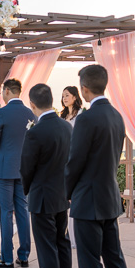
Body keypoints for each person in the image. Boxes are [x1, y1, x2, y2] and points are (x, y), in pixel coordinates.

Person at [59, 64, 128, 268]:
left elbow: (75, 163)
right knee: (115, 263)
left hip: (88, 201)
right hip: (110, 198)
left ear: (84, 90)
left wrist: (66, 193)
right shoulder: (116, 115)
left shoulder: (87, 119)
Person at [19, 83, 73, 268]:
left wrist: (27, 190)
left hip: (42, 197)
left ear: (32, 105)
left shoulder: (35, 132)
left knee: (47, 250)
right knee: (62, 245)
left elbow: (26, 168)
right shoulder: (67, 127)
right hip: (62, 195)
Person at [0, 78, 34, 268]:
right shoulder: (30, 114)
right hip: (23, 170)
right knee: (22, 211)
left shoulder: (1, 113)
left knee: (5, 213)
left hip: (4, 170)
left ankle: (7, 259)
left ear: (6, 91)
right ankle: (23, 257)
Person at [60, 85, 84, 248]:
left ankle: (77, 237)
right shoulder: (62, 116)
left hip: (76, 159)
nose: (64, 98)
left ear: (75, 97)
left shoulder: (82, 115)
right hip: (63, 159)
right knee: (65, 198)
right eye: (63, 96)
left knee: (75, 198)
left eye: (67, 95)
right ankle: (67, 234)